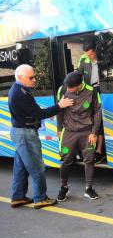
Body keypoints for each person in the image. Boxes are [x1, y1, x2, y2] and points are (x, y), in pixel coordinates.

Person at [8, 64, 74, 209]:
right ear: (20, 77)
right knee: (37, 167)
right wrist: (59, 106)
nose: (34, 80)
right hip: (25, 134)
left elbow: (33, 112)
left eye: (34, 76)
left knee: (21, 168)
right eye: (31, 77)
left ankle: (18, 197)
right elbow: (38, 114)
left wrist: (43, 114)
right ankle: (41, 198)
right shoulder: (21, 93)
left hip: (20, 132)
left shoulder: (18, 89)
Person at [56, 71, 102, 201]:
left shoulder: (91, 91)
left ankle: (89, 188)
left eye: (71, 88)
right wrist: (59, 128)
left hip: (86, 132)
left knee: (90, 159)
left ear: (79, 85)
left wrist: (94, 132)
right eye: (68, 87)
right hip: (68, 131)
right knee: (66, 160)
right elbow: (59, 109)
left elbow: (98, 112)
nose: (69, 90)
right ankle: (64, 187)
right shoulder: (63, 89)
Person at [77, 41, 105, 163]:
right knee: (93, 120)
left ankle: (100, 150)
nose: (90, 56)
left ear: (95, 50)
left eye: (91, 54)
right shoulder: (84, 60)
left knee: (101, 119)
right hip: (91, 90)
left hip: (103, 89)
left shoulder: (104, 58)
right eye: (88, 55)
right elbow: (78, 76)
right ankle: (94, 150)